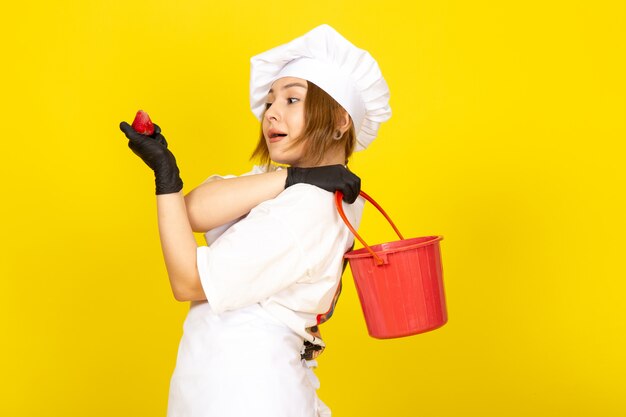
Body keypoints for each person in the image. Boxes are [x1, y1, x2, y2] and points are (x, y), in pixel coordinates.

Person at [119, 24, 391, 417]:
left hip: (247, 393)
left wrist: (164, 178)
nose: (272, 113)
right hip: (228, 384)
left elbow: (188, 281)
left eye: (293, 99)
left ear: (340, 119)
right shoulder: (290, 185)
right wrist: (291, 176)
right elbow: (194, 211)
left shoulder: (309, 208)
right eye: (269, 102)